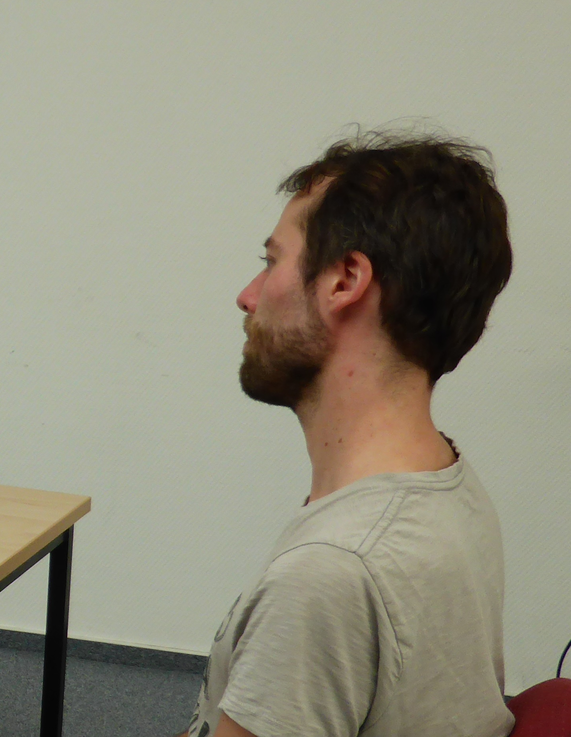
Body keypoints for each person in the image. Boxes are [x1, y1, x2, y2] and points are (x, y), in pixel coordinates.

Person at [184, 130, 515, 737]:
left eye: (271, 262)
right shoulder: (449, 486)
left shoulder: (330, 573)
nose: (247, 296)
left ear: (344, 282)